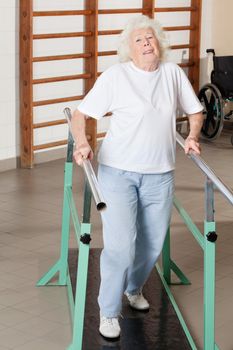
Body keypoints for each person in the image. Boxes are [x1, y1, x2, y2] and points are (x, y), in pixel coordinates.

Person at [71, 15, 203, 339]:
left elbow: (195, 111)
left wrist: (193, 136)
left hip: (160, 174)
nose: (146, 44)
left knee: (151, 244)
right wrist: (84, 141)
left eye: (150, 38)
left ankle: (133, 288)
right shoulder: (117, 76)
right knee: (119, 247)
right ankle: (108, 311)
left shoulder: (172, 73)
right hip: (118, 173)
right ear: (130, 50)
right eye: (139, 41)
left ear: (159, 43)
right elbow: (79, 114)